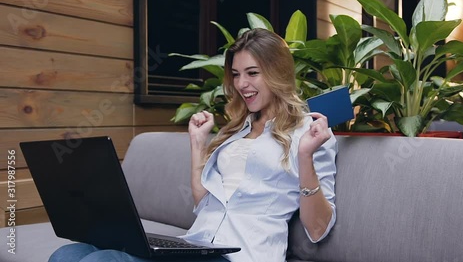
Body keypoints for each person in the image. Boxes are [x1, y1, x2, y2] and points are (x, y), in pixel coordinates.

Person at [48, 28, 337, 262]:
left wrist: (305, 156)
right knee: (67, 254)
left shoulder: (308, 134)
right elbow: (204, 204)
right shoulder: (236, 129)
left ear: (278, 73)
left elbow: (317, 229)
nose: (241, 84)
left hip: (242, 254)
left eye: (252, 73)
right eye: (236, 74)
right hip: (196, 246)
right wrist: (198, 144)